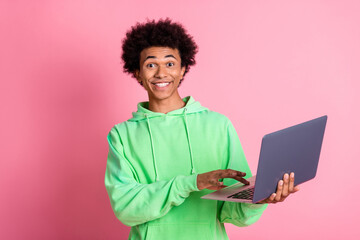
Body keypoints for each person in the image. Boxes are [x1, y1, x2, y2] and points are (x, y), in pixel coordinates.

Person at [104, 18, 299, 240]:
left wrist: (258, 201)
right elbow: (126, 208)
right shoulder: (122, 135)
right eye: (150, 65)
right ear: (138, 73)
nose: (161, 73)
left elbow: (232, 212)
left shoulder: (218, 125)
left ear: (182, 69)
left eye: (170, 64)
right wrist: (191, 183)